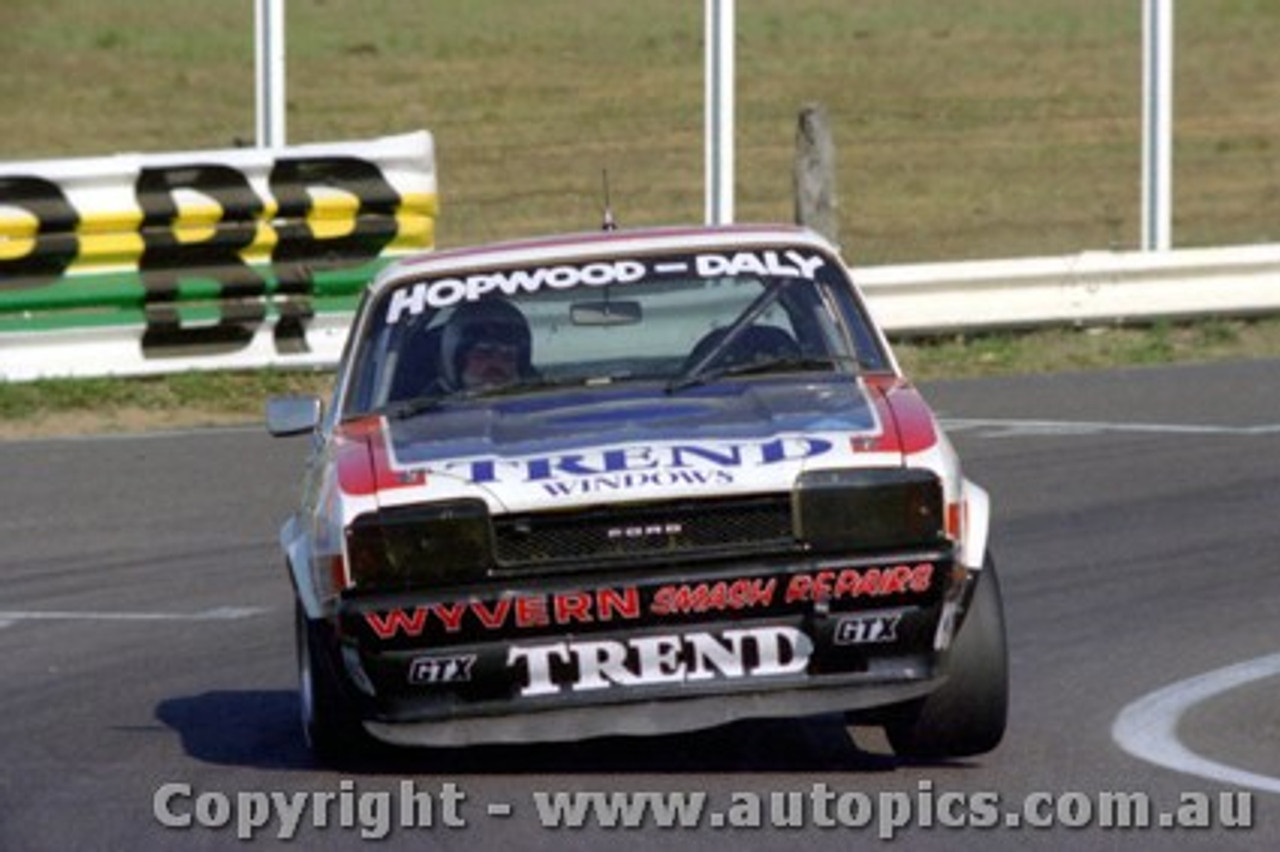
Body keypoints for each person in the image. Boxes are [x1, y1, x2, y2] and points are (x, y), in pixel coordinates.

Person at [438, 298, 533, 391]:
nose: (496, 364)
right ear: (458, 362)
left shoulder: (542, 396)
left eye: (507, 357)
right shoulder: (429, 403)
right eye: (483, 355)